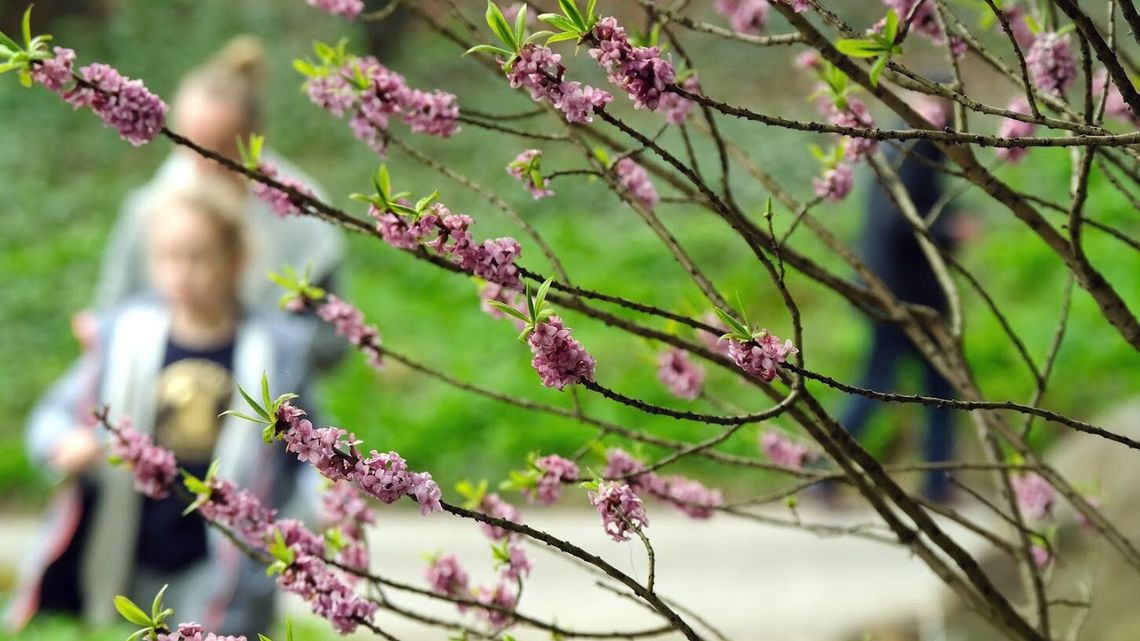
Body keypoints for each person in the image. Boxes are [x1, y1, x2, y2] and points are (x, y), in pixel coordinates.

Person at [8, 177, 318, 636]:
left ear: (235, 259)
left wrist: (323, 501)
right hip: (131, 538)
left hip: (220, 554)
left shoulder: (272, 351)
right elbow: (52, 416)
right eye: (168, 257)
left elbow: (311, 441)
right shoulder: (123, 338)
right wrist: (62, 443)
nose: (182, 272)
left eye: (198, 257)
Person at [78, 35, 345, 373]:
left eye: (219, 150)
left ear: (255, 136)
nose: (203, 165)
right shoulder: (150, 209)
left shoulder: (303, 214)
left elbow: (330, 344)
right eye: (190, 146)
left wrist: (261, 354)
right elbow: (112, 310)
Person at [839, 97, 973, 504]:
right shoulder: (918, 147)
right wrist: (952, 230)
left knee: (916, 385)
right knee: (891, 384)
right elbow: (904, 223)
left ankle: (937, 481)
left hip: (889, 287)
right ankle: (825, 470)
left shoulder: (895, 143)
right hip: (905, 295)